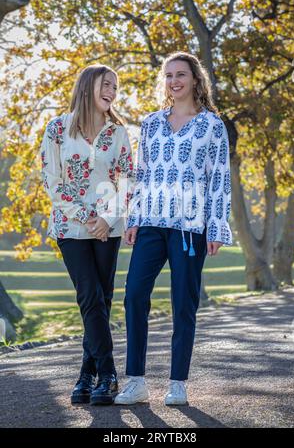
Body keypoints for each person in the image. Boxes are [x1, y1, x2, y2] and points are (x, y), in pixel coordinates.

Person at [114, 52, 233, 406]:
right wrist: (132, 218)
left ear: (196, 79)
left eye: (180, 74)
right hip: (150, 223)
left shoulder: (212, 125)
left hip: (190, 229)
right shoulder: (150, 123)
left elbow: (220, 180)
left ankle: (177, 383)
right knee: (134, 295)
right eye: (168, 76)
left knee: (184, 304)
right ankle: (135, 381)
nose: (174, 81)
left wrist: (216, 227)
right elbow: (139, 173)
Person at [40, 64, 134, 405]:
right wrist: (85, 215)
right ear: (87, 86)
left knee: (102, 300)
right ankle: (108, 374)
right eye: (105, 84)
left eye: (115, 86)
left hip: (107, 230)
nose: (111, 90)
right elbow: (52, 180)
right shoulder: (57, 129)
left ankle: (85, 376)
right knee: (89, 295)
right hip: (70, 227)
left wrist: (107, 219)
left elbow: (126, 180)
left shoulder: (118, 133)